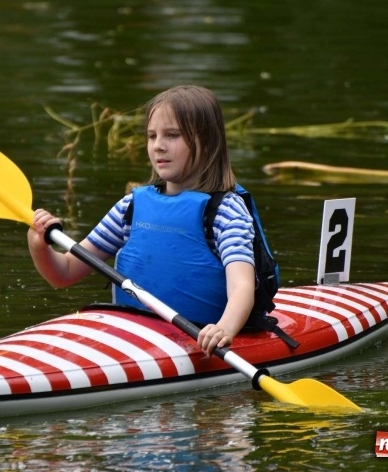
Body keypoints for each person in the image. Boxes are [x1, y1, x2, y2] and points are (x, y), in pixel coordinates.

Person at [27, 85, 255, 356]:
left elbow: (242, 284)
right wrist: (39, 246)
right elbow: (64, 273)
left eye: (172, 135)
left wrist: (224, 329)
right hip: (130, 335)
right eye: (151, 135)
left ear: (207, 143)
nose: (158, 145)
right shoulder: (131, 208)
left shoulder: (225, 212)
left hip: (199, 337)